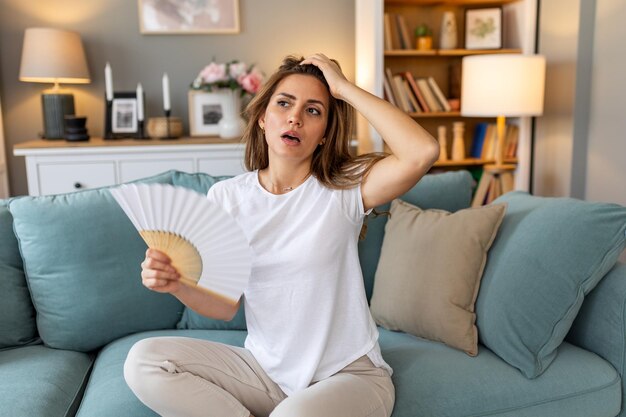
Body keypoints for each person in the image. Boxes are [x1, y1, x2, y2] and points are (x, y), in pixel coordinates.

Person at [124, 53, 439, 417]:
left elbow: (422, 152)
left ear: (324, 135)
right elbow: (224, 306)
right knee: (145, 361)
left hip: (350, 376)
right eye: (284, 103)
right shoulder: (227, 197)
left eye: (313, 111)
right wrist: (175, 283)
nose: (295, 117)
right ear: (262, 117)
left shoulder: (344, 188)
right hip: (265, 373)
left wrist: (344, 88)